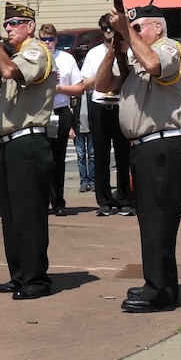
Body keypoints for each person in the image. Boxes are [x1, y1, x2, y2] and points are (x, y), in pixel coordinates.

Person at [98, 5, 181, 313]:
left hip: (164, 145)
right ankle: (156, 283)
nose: (132, 31)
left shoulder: (168, 48)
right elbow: (102, 86)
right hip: (144, 148)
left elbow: (154, 64)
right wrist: (114, 48)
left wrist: (127, 32)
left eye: (138, 27)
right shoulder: (133, 58)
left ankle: (161, 291)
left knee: (160, 221)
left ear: (158, 28)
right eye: (132, 26)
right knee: (150, 220)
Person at [0, 3, 57, 300]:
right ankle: (19, 274)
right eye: (6, 24)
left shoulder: (36, 52)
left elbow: (9, 71)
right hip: (10, 143)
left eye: (15, 23)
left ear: (31, 25)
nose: (9, 28)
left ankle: (37, 278)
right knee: (11, 214)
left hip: (29, 141)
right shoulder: (11, 51)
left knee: (29, 213)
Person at [80, 15, 133, 216]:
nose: (108, 32)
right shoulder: (94, 54)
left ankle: (125, 197)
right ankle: (104, 200)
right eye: (104, 29)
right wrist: (105, 73)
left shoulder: (127, 51)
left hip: (121, 105)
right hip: (100, 105)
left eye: (111, 28)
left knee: (123, 154)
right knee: (100, 154)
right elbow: (86, 82)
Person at [39, 23, 83, 217]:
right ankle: (40, 201)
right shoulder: (35, 57)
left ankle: (58, 202)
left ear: (56, 40)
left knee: (58, 160)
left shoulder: (66, 59)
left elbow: (79, 88)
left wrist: (60, 89)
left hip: (61, 109)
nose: (48, 43)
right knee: (41, 160)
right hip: (40, 112)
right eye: (44, 39)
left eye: (51, 39)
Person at [73, 90, 95, 193]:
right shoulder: (75, 94)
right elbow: (70, 111)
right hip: (78, 128)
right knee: (80, 156)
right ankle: (83, 182)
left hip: (91, 128)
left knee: (92, 155)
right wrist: (70, 128)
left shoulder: (92, 94)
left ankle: (93, 181)